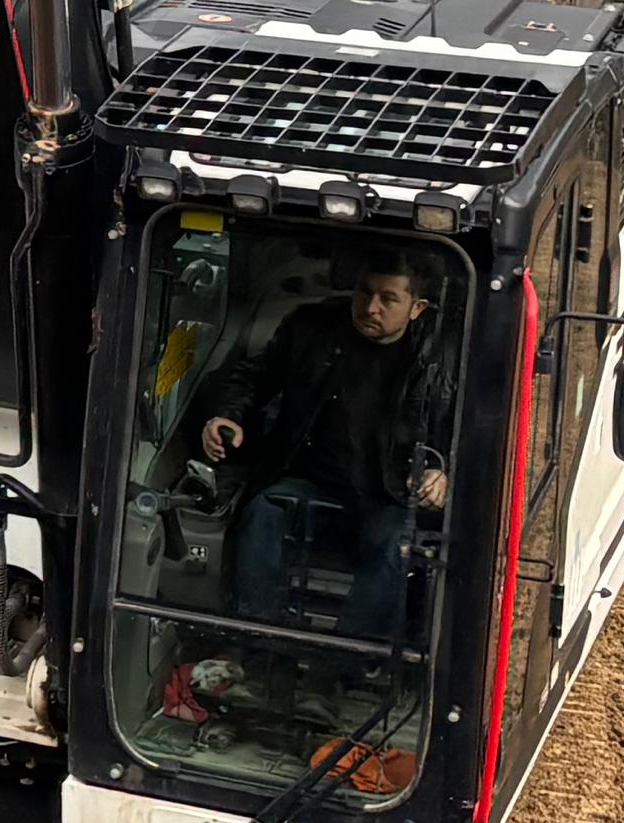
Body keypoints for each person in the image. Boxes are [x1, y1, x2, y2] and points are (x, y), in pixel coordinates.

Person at [188, 248, 459, 645]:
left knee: (395, 545)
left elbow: (469, 426)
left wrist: (445, 472)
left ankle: (346, 664)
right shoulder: (310, 327)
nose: (371, 307)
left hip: (392, 495)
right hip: (312, 482)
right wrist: (229, 415)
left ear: (417, 308)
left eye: (388, 299)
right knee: (263, 511)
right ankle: (258, 644)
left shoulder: (443, 353)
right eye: (364, 292)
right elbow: (253, 376)